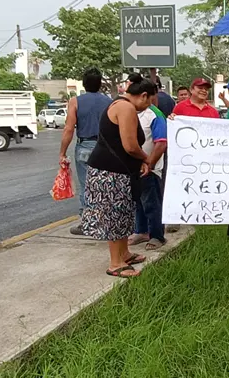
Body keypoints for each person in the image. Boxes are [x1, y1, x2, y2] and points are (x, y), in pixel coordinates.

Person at [82, 79, 156, 278]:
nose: (147, 106)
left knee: (123, 214)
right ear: (143, 95)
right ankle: (116, 263)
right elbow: (130, 145)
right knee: (114, 216)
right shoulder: (125, 107)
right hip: (110, 173)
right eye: (149, 101)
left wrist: (138, 161)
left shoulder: (119, 104)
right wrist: (146, 158)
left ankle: (124, 253)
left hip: (117, 171)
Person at [59, 67, 112, 235]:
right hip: (105, 147)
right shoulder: (109, 101)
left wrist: (62, 152)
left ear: (84, 83)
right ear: (100, 84)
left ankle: (88, 223)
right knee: (105, 185)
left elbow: (69, 129)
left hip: (85, 146)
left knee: (86, 186)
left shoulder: (75, 101)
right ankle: (106, 221)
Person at [129, 92, 168, 250]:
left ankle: (157, 236)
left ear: (144, 96)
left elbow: (161, 143)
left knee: (152, 203)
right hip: (133, 168)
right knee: (138, 201)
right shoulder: (132, 112)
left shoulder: (155, 114)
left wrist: (149, 165)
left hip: (150, 169)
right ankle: (142, 230)